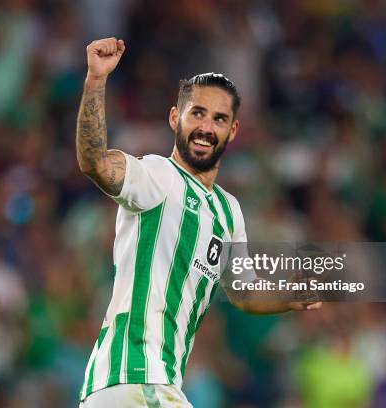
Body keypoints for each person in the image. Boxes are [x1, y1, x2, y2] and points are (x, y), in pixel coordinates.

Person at [75, 37, 322, 407]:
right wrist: (96, 80)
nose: (207, 126)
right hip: (134, 378)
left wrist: (291, 296)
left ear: (232, 131)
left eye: (219, 118)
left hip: (155, 384)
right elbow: (94, 162)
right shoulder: (158, 175)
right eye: (198, 113)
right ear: (176, 117)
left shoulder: (228, 211)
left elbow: (243, 291)